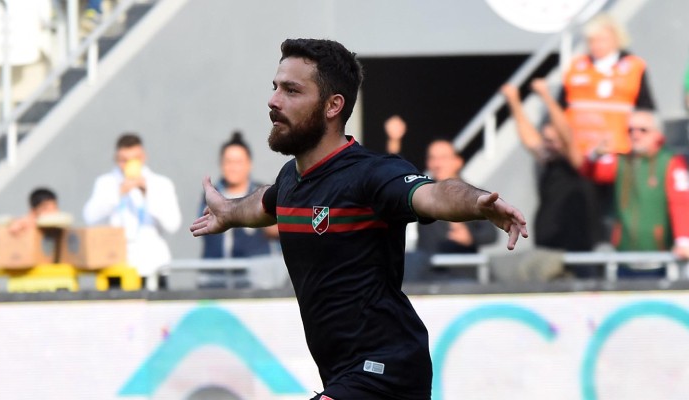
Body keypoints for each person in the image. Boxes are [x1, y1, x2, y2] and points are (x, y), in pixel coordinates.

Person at [190, 38, 528, 400]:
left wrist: (477, 202)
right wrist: (229, 212)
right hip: (344, 374)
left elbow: (432, 194)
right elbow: (264, 204)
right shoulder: (292, 179)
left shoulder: (371, 174)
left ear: (333, 105)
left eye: (291, 90)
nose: (274, 100)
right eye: (275, 87)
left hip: (387, 369)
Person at [581, 110, 689, 276]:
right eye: (631, 130)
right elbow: (591, 172)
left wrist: (683, 241)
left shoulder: (671, 162)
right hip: (624, 258)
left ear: (657, 134)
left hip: (660, 260)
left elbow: (681, 202)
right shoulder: (622, 160)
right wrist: (595, 154)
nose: (635, 135)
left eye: (643, 130)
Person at [501, 80, 598, 252]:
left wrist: (546, 96)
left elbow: (566, 133)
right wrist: (513, 101)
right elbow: (530, 140)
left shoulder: (577, 163)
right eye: (546, 140)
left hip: (577, 244)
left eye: (553, 141)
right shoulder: (550, 162)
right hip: (547, 242)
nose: (548, 145)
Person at [84, 133, 181, 289]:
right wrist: (118, 193)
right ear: (116, 160)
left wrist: (148, 194)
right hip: (116, 268)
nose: (129, 164)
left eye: (135, 159)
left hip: (152, 267)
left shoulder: (160, 184)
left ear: (144, 157)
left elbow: (173, 225)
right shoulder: (106, 183)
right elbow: (90, 217)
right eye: (124, 160)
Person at [561, 13, 655, 156]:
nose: (597, 45)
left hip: (619, 147)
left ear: (616, 39)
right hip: (579, 148)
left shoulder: (634, 66)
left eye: (602, 40)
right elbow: (561, 105)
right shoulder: (576, 66)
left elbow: (646, 108)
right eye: (592, 40)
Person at [405, 139, 499, 282]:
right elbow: (397, 183)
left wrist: (470, 238)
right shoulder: (421, 193)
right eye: (432, 158)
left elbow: (491, 234)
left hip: (462, 275)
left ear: (458, 162)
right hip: (426, 275)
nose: (437, 164)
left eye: (443, 158)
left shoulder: (475, 196)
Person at [200, 131, 278, 259]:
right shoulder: (211, 195)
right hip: (216, 268)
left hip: (254, 268)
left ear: (249, 164)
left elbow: (274, 230)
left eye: (238, 162)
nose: (233, 167)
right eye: (228, 161)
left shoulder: (261, 193)